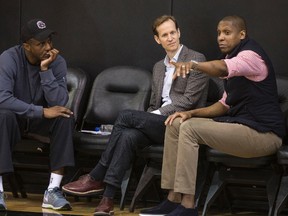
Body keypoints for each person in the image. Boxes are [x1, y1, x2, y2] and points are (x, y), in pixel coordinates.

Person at [62, 15, 209, 215]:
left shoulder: (196, 60)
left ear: (179, 32)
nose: (170, 38)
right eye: (165, 35)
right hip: (159, 123)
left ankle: (96, 175)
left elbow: (189, 100)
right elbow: (153, 103)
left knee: (125, 117)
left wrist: (153, 115)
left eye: (173, 32)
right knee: (127, 135)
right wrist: (150, 117)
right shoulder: (159, 67)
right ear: (157, 39)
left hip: (182, 124)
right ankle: (107, 200)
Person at [140, 15, 285, 216]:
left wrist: (193, 65)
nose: (220, 38)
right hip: (240, 127)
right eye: (218, 33)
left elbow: (222, 68)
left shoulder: (251, 57)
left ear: (241, 35)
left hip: (264, 135)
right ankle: (173, 199)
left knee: (189, 129)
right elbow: (224, 105)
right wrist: (189, 112)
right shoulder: (231, 59)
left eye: (227, 33)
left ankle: (188, 207)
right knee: (177, 122)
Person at [0, 19, 75, 211]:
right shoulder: (8, 58)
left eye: (49, 41)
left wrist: (45, 70)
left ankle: (53, 190)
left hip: (39, 122)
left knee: (65, 116)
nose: (48, 47)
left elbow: (58, 102)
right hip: (14, 119)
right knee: (3, 115)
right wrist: (41, 111)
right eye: (41, 43)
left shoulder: (56, 61)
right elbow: (2, 98)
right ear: (26, 46)